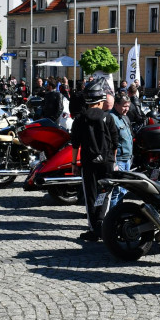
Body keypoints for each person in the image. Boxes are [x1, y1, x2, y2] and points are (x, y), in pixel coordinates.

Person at [71, 82, 119, 241]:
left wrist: (73, 164)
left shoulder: (79, 119)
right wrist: (114, 162)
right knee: (105, 194)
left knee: (90, 196)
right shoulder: (109, 118)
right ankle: (102, 224)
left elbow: (75, 144)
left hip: (88, 162)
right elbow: (115, 143)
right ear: (102, 100)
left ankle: (94, 229)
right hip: (107, 163)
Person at [108, 93, 134, 208]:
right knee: (116, 191)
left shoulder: (124, 117)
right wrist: (113, 162)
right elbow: (110, 143)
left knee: (123, 190)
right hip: (118, 160)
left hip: (126, 159)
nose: (126, 109)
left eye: (128, 106)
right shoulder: (111, 118)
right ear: (116, 105)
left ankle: (118, 213)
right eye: (124, 106)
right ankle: (112, 216)